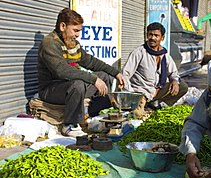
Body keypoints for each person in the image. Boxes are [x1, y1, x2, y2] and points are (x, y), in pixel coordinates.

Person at [37, 8, 125, 137]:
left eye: (79, 31)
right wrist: (93, 79)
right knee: (77, 84)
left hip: (69, 86)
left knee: (103, 76)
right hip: (51, 90)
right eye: (75, 30)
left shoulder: (73, 43)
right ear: (63, 26)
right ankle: (70, 125)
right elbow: (61, 70)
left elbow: (90, 62)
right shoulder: (50, 43)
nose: (78, 35)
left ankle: (94, 116)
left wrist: (116, 73)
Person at [121, 22, 188, 117]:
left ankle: (156, 105)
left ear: (162, 38)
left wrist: (174, 81)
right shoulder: (139, 52)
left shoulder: (164, 55)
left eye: (156, 35)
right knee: (138, 115)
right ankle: (145, 105)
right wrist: (132, 95)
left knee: (182, 86)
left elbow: (173, 73)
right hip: (141, 92)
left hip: (157, 91)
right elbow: (124, 74)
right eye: (150, 34)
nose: (153, 38)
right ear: (147, 35)